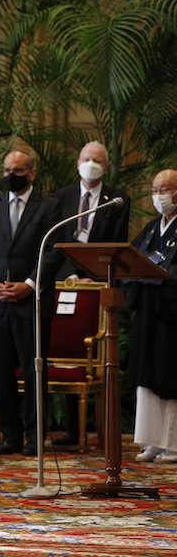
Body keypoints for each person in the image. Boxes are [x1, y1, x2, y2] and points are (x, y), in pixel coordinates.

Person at [0, 150, 60, 456]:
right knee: (0, 370)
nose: (11, 174)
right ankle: (10, 435)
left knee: (34, 369)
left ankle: (35, 437)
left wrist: (29, 285)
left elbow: (53, 252)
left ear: (31, 173)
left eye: (18, 170)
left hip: (31, 303)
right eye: (7, 169)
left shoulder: (50, 206)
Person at [49, 141, 130, 447]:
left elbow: (115, 243)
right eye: (86, 158)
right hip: (64, 284)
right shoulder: (61, 196)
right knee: (69, 353)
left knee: (98, 357)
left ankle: (104, 431)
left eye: (97, 160)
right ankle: (72, 429)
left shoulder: (117, 199)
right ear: (77, 162)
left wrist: (88, 274)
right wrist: (68, 274)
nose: (91, 163)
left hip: (97, 285)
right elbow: (57, 239)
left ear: (106, 167)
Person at [128, 169, 177, 463]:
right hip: (149, 311)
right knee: (147, 373)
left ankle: (173, 442)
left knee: (170, 374)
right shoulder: (149, 229)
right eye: (155, 189)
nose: (159, 195)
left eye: (165, 189)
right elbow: (131, 257)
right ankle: (152, 441)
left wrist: (160, 278)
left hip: (172, 314)